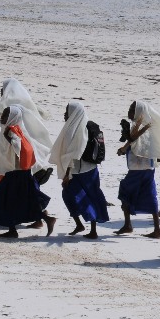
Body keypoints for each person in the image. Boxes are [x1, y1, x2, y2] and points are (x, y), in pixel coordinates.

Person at [0, 105, 56, 238]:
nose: (2, 117)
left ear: (13, 117)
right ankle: (43, 219)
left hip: (15, 174)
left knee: (6, 200)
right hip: (13, 172)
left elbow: (18, 148)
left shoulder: (12, 131)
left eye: (6, 115)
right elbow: (5, 153)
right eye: (3, 115)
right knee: (17, 201)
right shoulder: (10, 129)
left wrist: (8, 137)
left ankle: (15, 229)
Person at [49, 101, 110, 239]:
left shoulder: (76, 128)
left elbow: (73, 154)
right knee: (87, 196)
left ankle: (90, 229)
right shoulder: (87, 124)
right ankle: (82, 225)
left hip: (79, 171)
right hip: (91, 169)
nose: (64, 114)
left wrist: (67, 174)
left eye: (67, 112)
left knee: (77, 196)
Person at [116, 100, 160, 238]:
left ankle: (128, 225)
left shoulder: (141, 127)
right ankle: (156, 229)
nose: (129, 111)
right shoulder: (148, 127)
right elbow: (135, 142)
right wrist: (124, 149)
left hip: (137, 168)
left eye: (132, 109)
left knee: (125, 191)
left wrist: (124, 149)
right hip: (149, 167)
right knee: (150, 194)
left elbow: (134, 142)